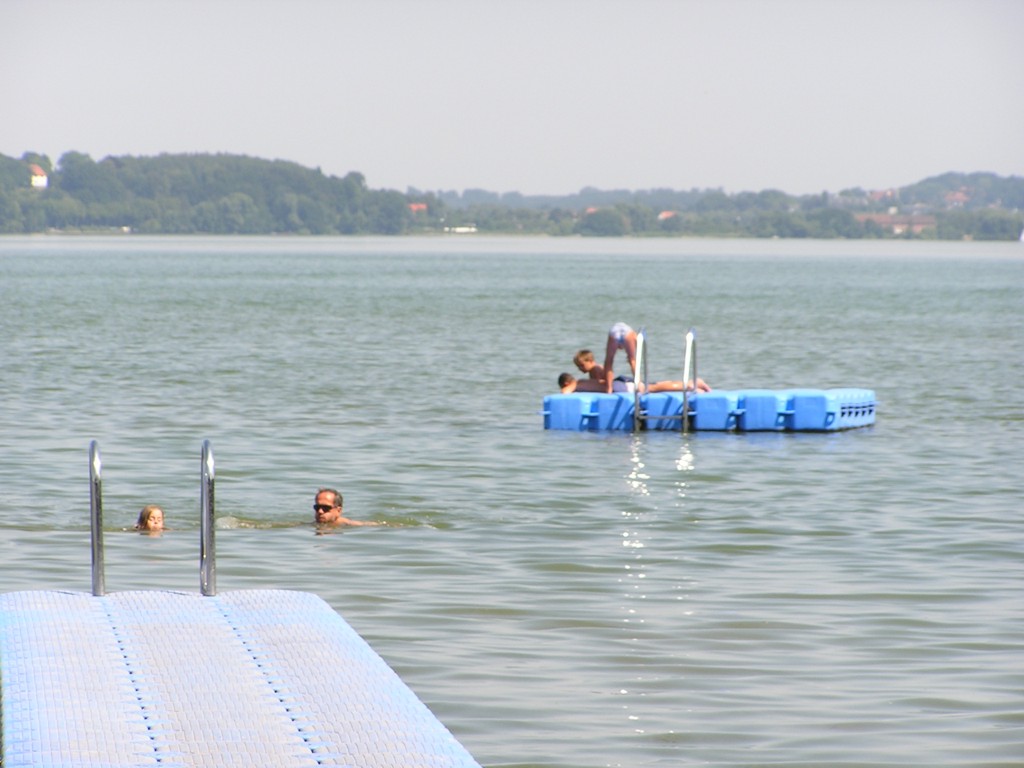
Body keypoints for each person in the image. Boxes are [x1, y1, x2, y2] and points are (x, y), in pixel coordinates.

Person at [558, 373, 711, 394]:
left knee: (653, 388)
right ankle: (690, 384)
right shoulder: (584, 382)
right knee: (655, 386)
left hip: (620, 386)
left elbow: (565, 392)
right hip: (621, 383)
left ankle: (690, 385)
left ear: (566, 382)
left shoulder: (577, 383)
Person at [313, 488, 380, 527]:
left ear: (339, 510)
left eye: (326, 508)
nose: (320, 511)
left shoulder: (351, 525)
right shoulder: (313, 525)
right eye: (317, 507)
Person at [602, 322, 639, 393]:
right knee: (633, 361)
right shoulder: (633, 335)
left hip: (614, 331)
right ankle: (638, 385)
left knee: (609, 361)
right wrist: (629, 357)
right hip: (628, 333)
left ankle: (609, 388)